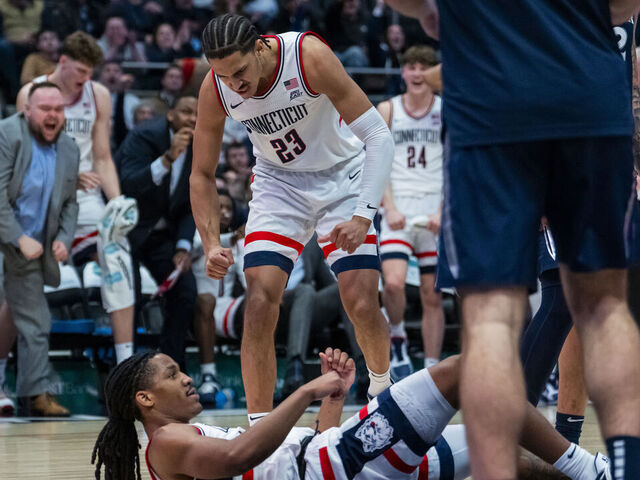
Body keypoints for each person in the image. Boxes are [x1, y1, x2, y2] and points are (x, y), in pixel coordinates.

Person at [384, 0, 640, 478]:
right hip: (588, 91)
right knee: (605, 307)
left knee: (491, 321)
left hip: (492, 99)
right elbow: (625, 7)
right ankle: (627, 466)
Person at [191, 13, 396, 422]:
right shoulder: (216, 88)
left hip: (342, 177)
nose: (235, 84)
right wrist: (211, 242)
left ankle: (381, 389)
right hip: (279, 183)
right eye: (224, 75)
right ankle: (259, 431)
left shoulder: (307, 57)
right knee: (259, 302)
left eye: (240, 71)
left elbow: (378, 135)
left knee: (360, 300)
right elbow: (201, 174)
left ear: (261, 47)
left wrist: (362, 216)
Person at [92, 346, 612, 480]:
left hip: (341, 461)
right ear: (145, 400)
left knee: (511, 456)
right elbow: (237, 455)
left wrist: (333, 402)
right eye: (172, 374)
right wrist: (303, 393)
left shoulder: (178, 439)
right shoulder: (165, 445)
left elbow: (289, 461)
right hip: (342, 464)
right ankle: (591, 471)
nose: (186, 378)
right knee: (461, 372)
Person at [16, 31, 138, 367]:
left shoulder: (97, 94)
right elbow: (26, 159)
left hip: (86, 200)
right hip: (39, 199)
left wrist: (117, 202)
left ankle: (125, 365)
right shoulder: (31, 92)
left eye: (90, 74)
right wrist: (66, 178)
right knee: (22, 286)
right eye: (80, 72)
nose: (86, 79)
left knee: (119, 260)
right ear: (63, 62)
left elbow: (102, 157)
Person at [0, 82, 79, 416]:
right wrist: (18, 236)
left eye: (58, 110)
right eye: (46, 109)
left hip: (30, 248)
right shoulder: (8, 134)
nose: (53, 116)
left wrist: (63, 236)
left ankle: (34, 395)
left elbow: (70, 203)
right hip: (16, 237)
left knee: (37, 321)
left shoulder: (70, 148)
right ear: (27, 111)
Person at [117, 95, 199, 368]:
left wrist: (183, 246)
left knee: (185, 289)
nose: (193, 119)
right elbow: (127, 185)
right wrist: (167, 159)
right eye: (186, 111)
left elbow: (190, 204)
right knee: (131, 297)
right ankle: (124, 372)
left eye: (198, 114)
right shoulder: (143, 137)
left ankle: (170, 367)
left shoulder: (199, 144)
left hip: (162, 236)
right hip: (126, 231)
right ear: (171, 114)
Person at [377, 45, 443, 380]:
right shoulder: (388, 110)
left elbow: (457, 163)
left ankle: (432, 366)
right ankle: (398, 333)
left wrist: (444, 210)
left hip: (433, 209)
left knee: (434, 294)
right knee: (392, 283)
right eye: (411, 67)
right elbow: (376, 161)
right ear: (402, 72)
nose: (417, 73)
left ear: (434, 73)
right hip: (398, 208)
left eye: (424, 67)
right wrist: (388, 206)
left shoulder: (448, 111)